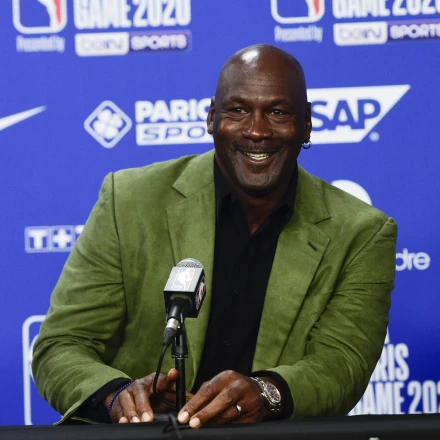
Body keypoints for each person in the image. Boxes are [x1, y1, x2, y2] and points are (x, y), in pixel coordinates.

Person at [33, 44, 397, 428]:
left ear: (306, 124)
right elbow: (62, 345)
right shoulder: (129, 201)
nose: (257, 131)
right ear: (211, 117)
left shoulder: (361, 232)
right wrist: (119, 397)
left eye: (277, 112)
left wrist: (266, 392)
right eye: (237, 110)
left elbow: (342, 365)